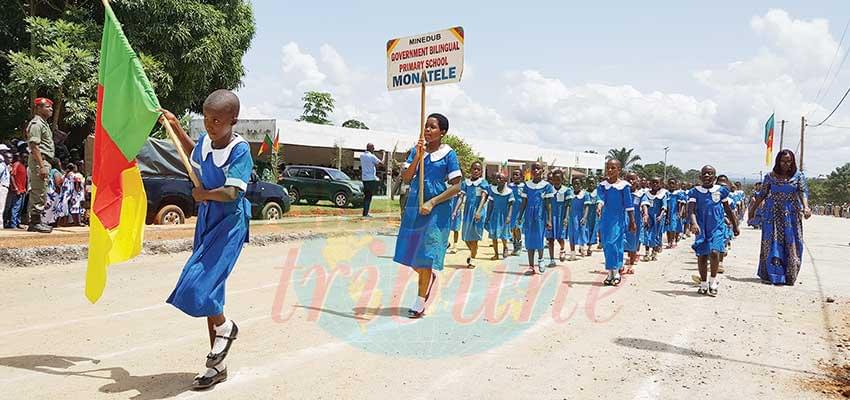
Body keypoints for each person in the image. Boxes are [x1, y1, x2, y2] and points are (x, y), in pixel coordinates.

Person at [161, 90, 253, 389]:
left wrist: (203, 195)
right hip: (207, 219)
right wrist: (175, 126)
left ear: (232, 121)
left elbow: (233, 192)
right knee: (212, 291)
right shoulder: (206, 143)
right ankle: (218, 366)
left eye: (217, 120)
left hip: (229, 222)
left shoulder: (240, 150)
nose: (210, 125)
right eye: (206, 118)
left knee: (199, 281)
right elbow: (194, 155)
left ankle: (226, 327)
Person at [393, 113, 462, 319]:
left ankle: (419, 301)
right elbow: (406, 177)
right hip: (415, 205)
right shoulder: (416, 151)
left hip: (436, 208)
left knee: (425, 255)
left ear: (442, 132)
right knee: (409, 251)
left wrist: (432, 202)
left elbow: (456, 186)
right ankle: (428, 276)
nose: (427, 130)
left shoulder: (449, 154)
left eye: (432, 127)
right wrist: (418, 155)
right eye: (426, 126)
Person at [749, 150, 811, 285]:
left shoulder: (798, 176)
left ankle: (789, 274)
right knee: (771, 242)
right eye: (783, 161)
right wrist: (753, 210)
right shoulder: (770, 176)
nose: (785, 164)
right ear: (778, 161)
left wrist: (806, 207)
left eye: (788, 161)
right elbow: (762, 194)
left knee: (792, 242)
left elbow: (803, 192)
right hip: (772, 213)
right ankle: (772, 274)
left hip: (791, 214)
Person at [689, 165, 739, 296]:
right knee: (702, 256)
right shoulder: (695, 192)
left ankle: (713, 281)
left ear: (714, 177)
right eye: (704, 174)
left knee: (715, 252)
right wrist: (694, 223)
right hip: (701, 228)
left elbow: (728, 209)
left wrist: (735, 225)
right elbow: (691, 210)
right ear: (700, 177)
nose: (707, 176)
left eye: (710, 173)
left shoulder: (721, 191)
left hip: (716, 227)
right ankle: (703, 283)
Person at [596, 159, 637, 286]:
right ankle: (610, 272)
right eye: (608, 167)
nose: (610, 170)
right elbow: (601, 198)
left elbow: (629, 205)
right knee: (607, 245)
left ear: (619, 170)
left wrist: (632, 221)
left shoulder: (624, 186)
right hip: (606, 219)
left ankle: (616, 271)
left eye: (613, 168)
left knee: (614, 243)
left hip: (618, 219)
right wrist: (599, 205)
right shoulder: (602, 185)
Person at [26, 97, 56, 233]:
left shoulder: (44, 124)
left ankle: (37, 220)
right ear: (38, 108)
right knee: (38, 191)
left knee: (42, 190)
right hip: (40, 160)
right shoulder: (36, 124)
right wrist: (42, 165)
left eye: (51, 107)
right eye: (47, 107)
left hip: (44, 160)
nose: (50, 109)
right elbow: (34, 146)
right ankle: (34, 222)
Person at [518, 162, 553, 274]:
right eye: (534, 169)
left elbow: (548, 204)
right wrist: (520, 216)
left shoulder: (547, 186)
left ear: (542, 171)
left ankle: (541, 259)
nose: (536, 171)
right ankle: (531, 265)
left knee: (539, 237)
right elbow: (524, 202)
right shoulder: (527, 185)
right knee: (529, 239)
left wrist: (549, 219)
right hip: (529, 215)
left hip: (540, 215)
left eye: (538, 169)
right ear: (531, 171)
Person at [458, 161, 489, 268]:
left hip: (478, 211)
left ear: (481, 171)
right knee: (466, 237)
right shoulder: (466, 183)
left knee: (474, 237)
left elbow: (483, 198)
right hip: (467, 211)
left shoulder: (483, 183)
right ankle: (473, 252)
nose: (476, 171)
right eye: (474, 169)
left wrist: (478, 211)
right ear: (470, 170)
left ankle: (472, 259)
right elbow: (461, 197)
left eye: (478, 169)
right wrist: (455, 210)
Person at [624, 172, 649, 272]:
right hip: (622, 219)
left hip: (635, 220)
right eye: (628, 179)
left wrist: (646, 214)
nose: (630, 181)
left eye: (633, 179)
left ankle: (631, 265)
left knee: (633, 242)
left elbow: (644, 205)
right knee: (621, 240)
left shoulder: (641, 194)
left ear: (637, 181)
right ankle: (619, 264)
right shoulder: (622, 192)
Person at [545, 169, 571, 267]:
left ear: (562, 179)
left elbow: (568, 205)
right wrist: (548, 218)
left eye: (558, 179)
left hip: (561, 216)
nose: (556, 181)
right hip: (551, 216)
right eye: (554, 179)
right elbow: (547, 204)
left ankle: (562, 249)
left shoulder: (567, 190)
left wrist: (566, 217)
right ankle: (552, 259)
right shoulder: (549, 189)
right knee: (550, 238)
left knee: (560, 237)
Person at [486, 172, 515, 260]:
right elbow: (490, 204)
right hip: (494, 215)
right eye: (497, 178)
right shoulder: (493, 191)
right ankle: (496, 254)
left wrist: (509, 216)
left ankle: (505, 247)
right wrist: (488, 216)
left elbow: (510, 205)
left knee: (503, 234)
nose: (498, 180)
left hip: (504, 215)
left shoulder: (509, 192)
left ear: (505, 181)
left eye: (500, 179)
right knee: (494, 235)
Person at [644, 177, 667, 261]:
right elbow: (644, 204)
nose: (655, 184)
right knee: (647, 234)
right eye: (653, 182)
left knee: (656, 234)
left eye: (657, 183)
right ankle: (646, 252)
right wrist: (645, 216)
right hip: (649, 217)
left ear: (660, 184)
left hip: (658, 218)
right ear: (650, 183)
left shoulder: (662, 195)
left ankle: (654, 252)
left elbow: (664, 207)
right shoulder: (646, 194)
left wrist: (660, 216)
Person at [359, 143, 384, 217]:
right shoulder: (371, 156)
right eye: (373, 148)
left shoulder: (362, 156)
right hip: (371, 179)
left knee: (366, 196)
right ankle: (366, 213)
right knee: (369, 196)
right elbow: (381, 163)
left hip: (364, 178)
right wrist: (384, 154)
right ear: (370, 148)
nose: (374, 149)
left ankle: (365, 212)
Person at [567, 176, 589, 261]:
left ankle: (582, 247)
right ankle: (572, 253)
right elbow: (568, 206)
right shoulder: (570, 193)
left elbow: (587, 206)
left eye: (578, 184)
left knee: (581, 232)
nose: (576, 185)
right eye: (574, 184)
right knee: (571, 234)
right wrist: (566, 217)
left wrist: (584, 217)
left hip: (581, 215)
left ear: (581, 185)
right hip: (572, 216)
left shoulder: (585, 194)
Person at [6, 151, 27, 229]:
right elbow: (12, 176)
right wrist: (15, 188)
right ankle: (13, 223)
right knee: (15, 207)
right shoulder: (17, 164)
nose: (25, 159)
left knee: (20, 208)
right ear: (20, 157)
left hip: (23, 190)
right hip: (17, 190)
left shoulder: (23, 166)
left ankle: (18, 222)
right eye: (24, 157)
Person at [508, 169, 525, 255]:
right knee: (513, 228)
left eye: (517, 175)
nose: (515, 176)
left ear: (521, 177)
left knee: (518, 227)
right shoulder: (509, 186)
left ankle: (519, 245)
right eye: (513, 175)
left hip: (520, 210)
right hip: (512, 210)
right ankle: (515, 245)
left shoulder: (524, 187)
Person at [665, 179, 682, 249]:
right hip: (667, 212)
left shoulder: (678, 194)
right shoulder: (666, 193)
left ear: (675, 185)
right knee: (668, 228)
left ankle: (673, 240)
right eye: (670, 183)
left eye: (673, 183)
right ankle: (669, 241)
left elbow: (680, 204)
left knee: (674, 227)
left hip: (674, 212)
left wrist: (680, 212)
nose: (671, 185)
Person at [585, 177, 601, 254]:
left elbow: (599, 202)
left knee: (593, 229)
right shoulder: (584, 193)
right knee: (586, 229)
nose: (591, 184)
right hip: (586, 214)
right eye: (589, 182)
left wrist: (598, 209)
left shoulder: (597, 193)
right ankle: (584, 244)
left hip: (594, 214)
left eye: (593, 183)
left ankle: (590, 247)